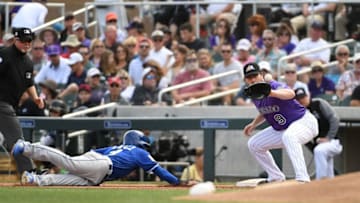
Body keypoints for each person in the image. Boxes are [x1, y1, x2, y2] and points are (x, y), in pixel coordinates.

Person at [12, 130, 180, 186]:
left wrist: (86, 160)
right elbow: (160, 172)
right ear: (140, 142)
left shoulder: (119, 147)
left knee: (68, 180)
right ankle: (28, 147)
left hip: (99, 172)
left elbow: (97, 151)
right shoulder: (140, 152)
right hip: (102, 165)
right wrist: (178, 182)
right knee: (68, 162)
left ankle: (35, 179)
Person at [243, 62, 318, 183]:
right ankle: (276, 177)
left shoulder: (272, 85)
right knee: (254, 144)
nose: (252, 79)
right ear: (246, 80)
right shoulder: (253, 94)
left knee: (290, 136)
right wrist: (253, 124)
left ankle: (303, 179)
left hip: (304, 122)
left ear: (261, 75)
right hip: (284, 128)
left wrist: (271, 92)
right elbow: (265, 110)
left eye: (254, 75)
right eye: (249, 77)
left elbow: (291, 94)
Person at [0, 27, 45, 176]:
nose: (27, 44)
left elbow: (29, 83)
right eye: (24, 41)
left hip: (9, 103)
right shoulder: (4, 54)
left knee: (10, 140)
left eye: (29, 41)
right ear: (16, 40)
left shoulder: (27, 61)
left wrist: (35, 97)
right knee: (16, 137)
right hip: (2, 103)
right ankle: (29, 171)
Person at [295, 88, 342, 180]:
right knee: (323, 156)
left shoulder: (318, 103)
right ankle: (329, 185)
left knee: (319, 151)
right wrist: (312, 147)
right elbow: (301, 134)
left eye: (303, 97)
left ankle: (320, 180)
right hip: (319, 144)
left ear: (308, 96)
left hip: (333, 141)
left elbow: (334, 119)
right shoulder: (299, 113)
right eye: (299, 99)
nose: (302, 101)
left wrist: (329, 137)